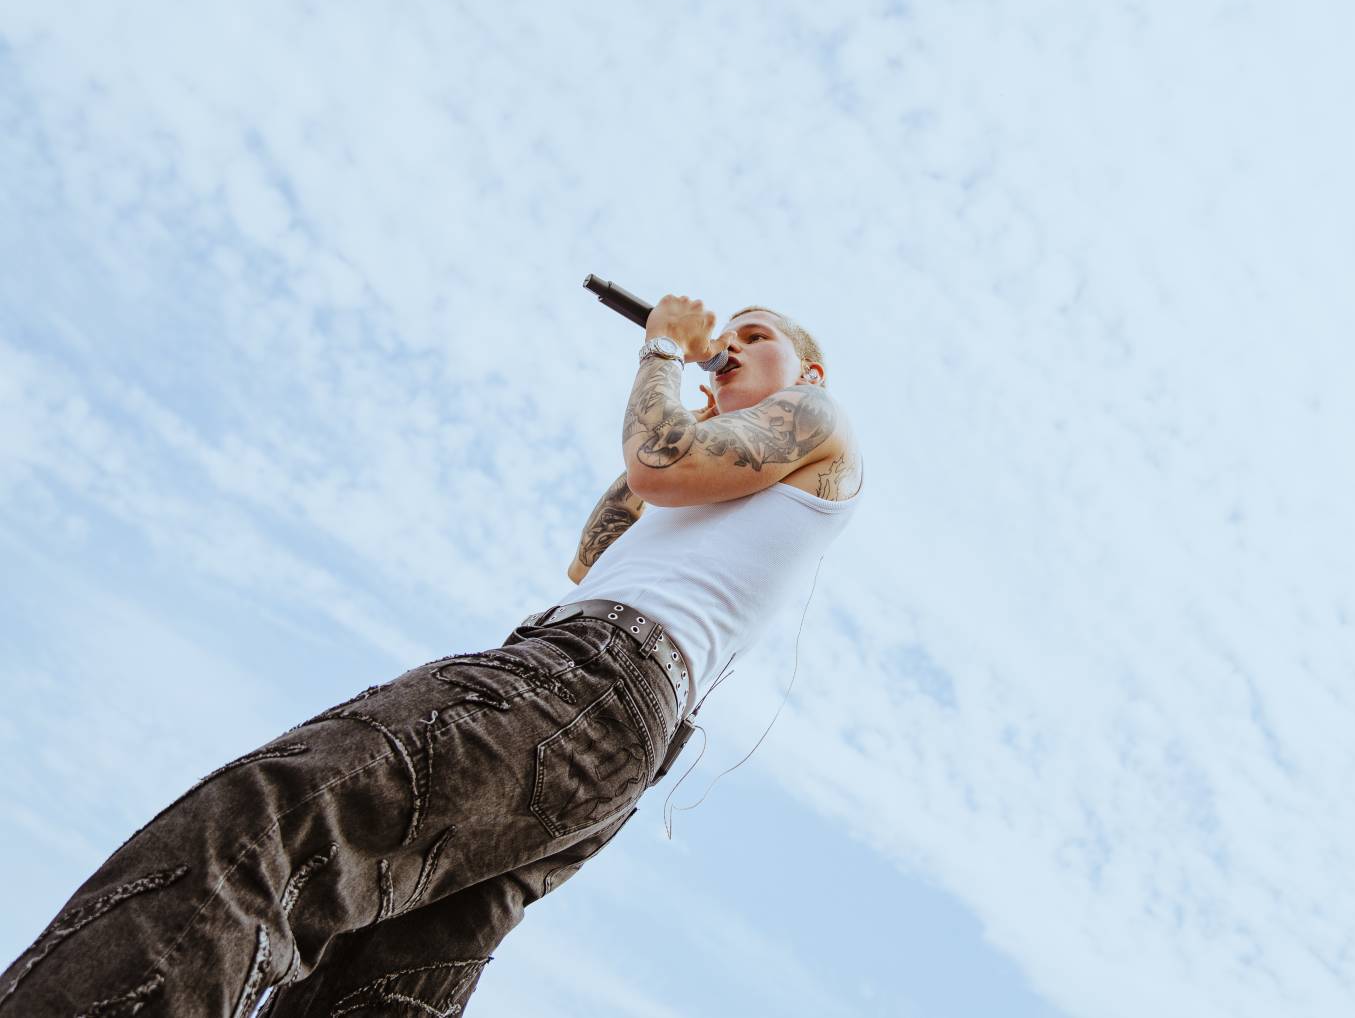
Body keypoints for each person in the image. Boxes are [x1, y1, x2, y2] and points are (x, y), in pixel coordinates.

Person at [0, 296, 864, 1017]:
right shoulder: (733, 468)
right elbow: (595, 547)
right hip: (610, 738)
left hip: (591, 677)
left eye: (758, 337)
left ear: (811, 375)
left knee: (276, 824)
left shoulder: (818, 417)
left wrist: (667, 349)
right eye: (731, 336)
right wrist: (703, 399)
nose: (735, 346)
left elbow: (653, 463)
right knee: (369, 991)